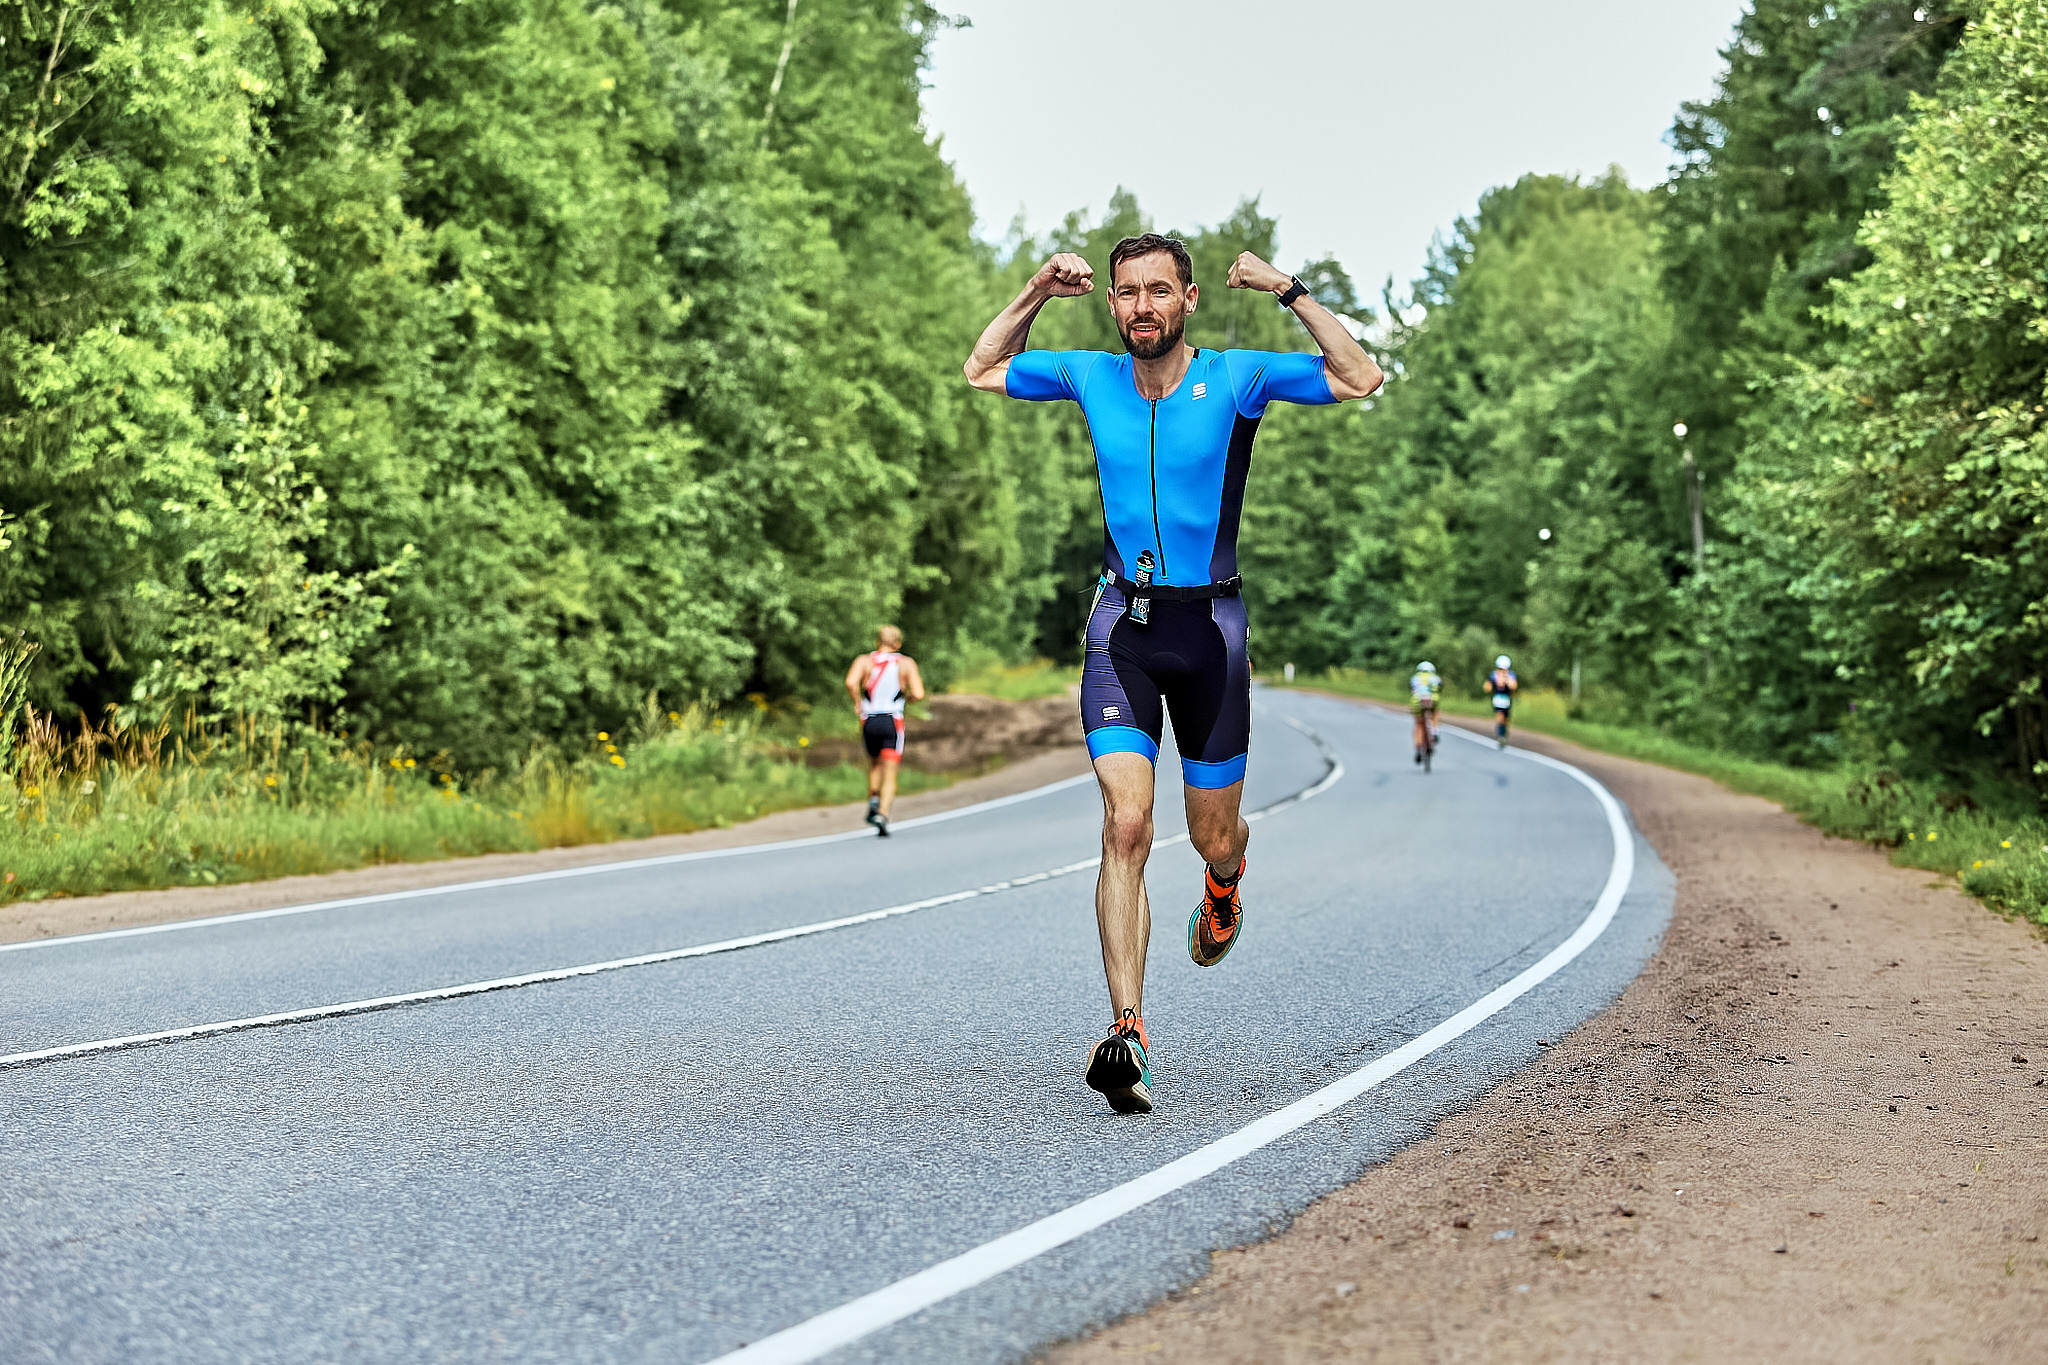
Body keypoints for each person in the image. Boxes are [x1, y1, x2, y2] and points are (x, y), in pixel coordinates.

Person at [963, 233, 1383, 1113]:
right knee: (1126, 823)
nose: (1142, 306)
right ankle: (1129, 1030)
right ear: (1112, 303)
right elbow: (982, 366)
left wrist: (1286, 288)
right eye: (1127, 292)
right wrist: (1039, 288)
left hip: (1211, 633)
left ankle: (1224, 886)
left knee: (1212, 835)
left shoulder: (1237, 379)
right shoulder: (1088, 376)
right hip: (1123, 624)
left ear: (1188, 299)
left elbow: (1358, 376)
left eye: (1159, 290)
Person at [845, 626, 925, 837]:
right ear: (897, 644)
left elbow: (851, 682)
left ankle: (873, 799)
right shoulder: (905, 663)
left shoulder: (864, 661)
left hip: (869, 720)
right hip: (891, 720)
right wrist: (907, 697)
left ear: (877, 642)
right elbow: (918, 692)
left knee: (874, 762)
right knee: (890, 769)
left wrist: (857, 702)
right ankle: (882, 812)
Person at [1409, 661, 1441, 764]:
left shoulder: (1415, 678)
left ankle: (1418, 748)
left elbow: (1412, 690)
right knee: (1435, 712)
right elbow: (1439, 689)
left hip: (1417, 703)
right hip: (1432, 701)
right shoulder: (1434, 677)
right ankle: (1434, 731)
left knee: (1419, 724)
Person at [1486, 654, 1519, 748]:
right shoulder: (1494, 675)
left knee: (1506, 718)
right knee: (1500, 715)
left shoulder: (1511, 675)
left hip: (1507, 699)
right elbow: (1487, 686)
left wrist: (1506, 680)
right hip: (1498, 698)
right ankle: (1501, 735)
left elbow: (1514, 686)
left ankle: (1503, 730)